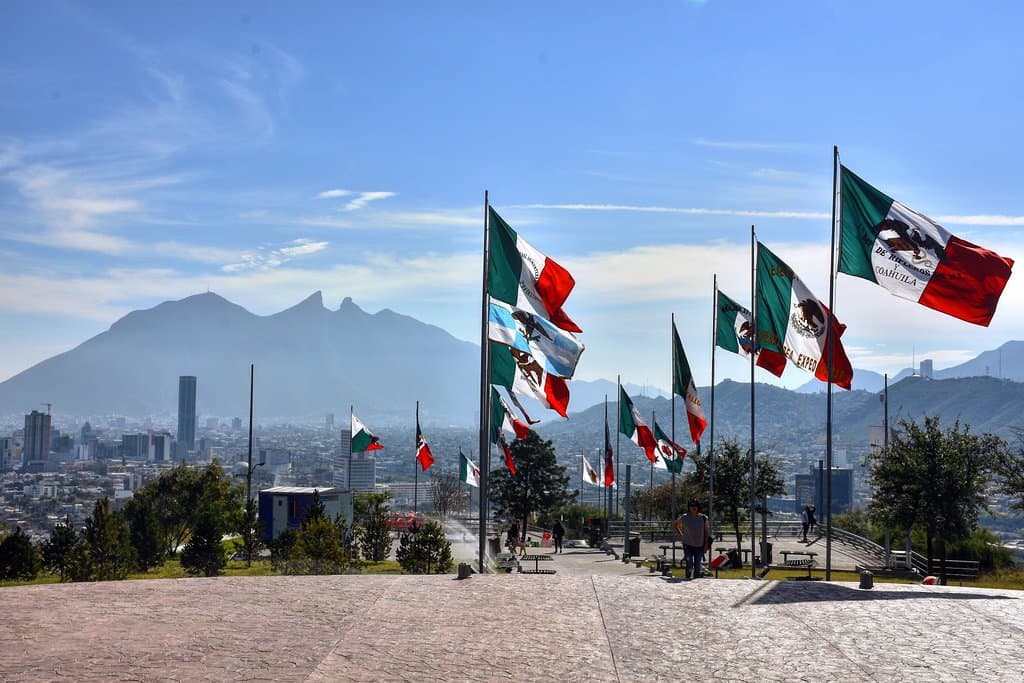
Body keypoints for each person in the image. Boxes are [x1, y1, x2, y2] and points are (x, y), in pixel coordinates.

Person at [673, 500, 710, 580]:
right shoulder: (684, 517)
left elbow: (706, 532)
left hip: (699, 545)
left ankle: (696, 581)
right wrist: (681, 535)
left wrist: (706, 544)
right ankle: (687, 579)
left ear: (698, 507)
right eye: (692, 506)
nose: (694, 507)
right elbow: (676, 525)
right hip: (687, 545)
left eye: (695, 506)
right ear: (689, 507)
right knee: (689, 563)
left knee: (697, 565)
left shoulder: (703, 518)